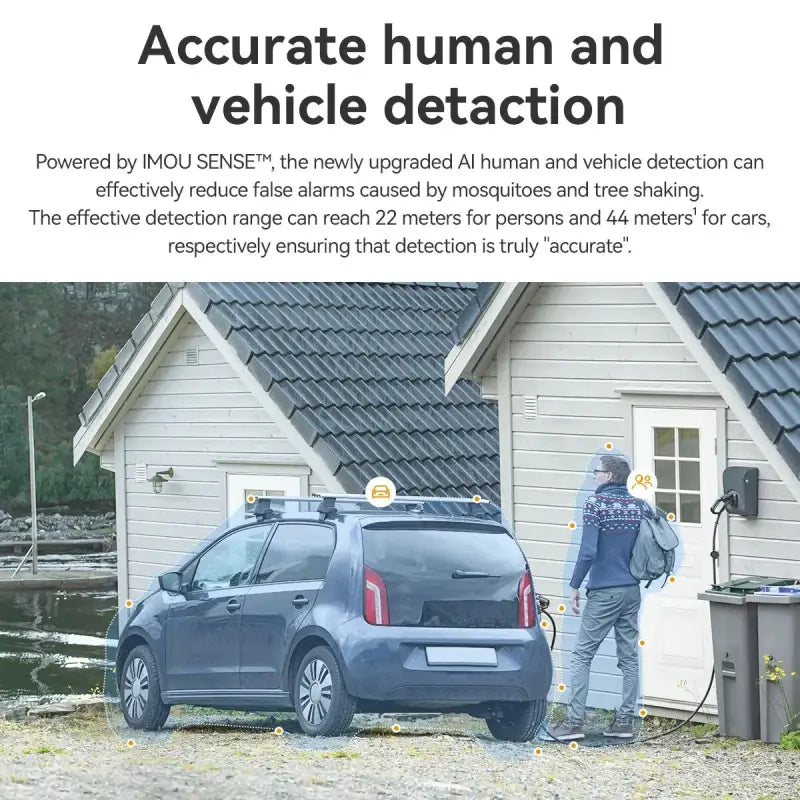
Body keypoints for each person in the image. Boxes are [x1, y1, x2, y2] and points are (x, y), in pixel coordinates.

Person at [548, 455, 649, 741]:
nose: (594, 476)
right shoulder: (638, 505)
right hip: (632, 590)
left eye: (597, 472)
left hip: (604, 590)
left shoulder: (596, 504)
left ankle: (574, 723)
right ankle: (625, 722)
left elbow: (589, 550)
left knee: (582, 654)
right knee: (628, 656)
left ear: (609, 476)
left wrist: (575, 584)